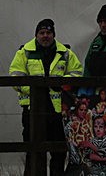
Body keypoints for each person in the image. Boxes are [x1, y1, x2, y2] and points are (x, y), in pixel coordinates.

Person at [9, 18, 83, 176]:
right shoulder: (24, 52)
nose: (45, 36)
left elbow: (77, 73)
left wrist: (62, 84)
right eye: (41, 32)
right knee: (33, 152)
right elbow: (15, 76)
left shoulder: (65, 52)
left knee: (59, 152)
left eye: (48, 32)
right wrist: (35, 90)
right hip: (32, 111)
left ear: (54, 35)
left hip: (58, 112)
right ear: (36, 35)